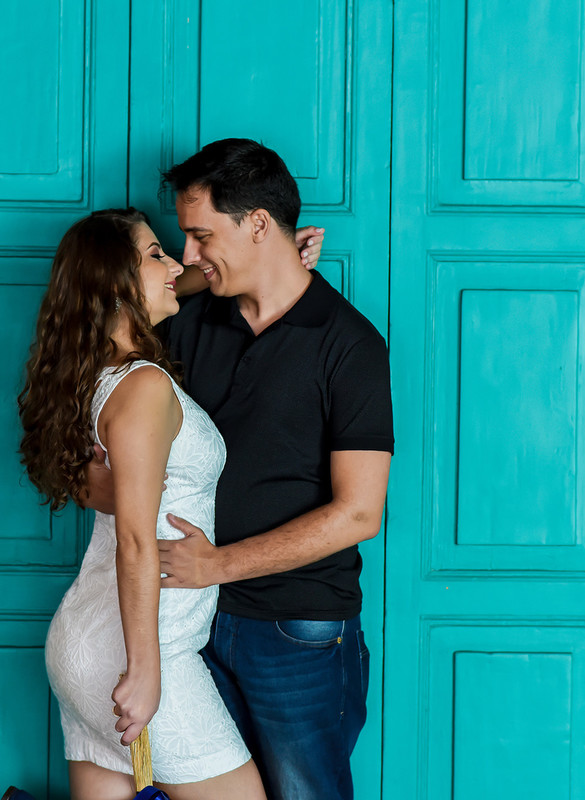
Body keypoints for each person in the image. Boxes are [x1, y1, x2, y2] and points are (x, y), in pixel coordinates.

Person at [85, 139, 393, 800]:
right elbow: (105, 336)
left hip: (297, 629)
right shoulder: (185, 325)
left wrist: (216, 565)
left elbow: (360, 513)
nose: (186, 254)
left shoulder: (351, 345)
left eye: (200, 236)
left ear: (257, 224)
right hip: (187, 625)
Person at [17, 208, 324, 800]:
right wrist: (146, 670)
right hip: (141, 651)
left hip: (86, 643)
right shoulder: (143, 386)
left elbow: (106, 496)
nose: (177, 265)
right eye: (156, 254)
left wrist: (267, 257)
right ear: (115, 285)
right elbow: (136, 541)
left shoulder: (96, 376)